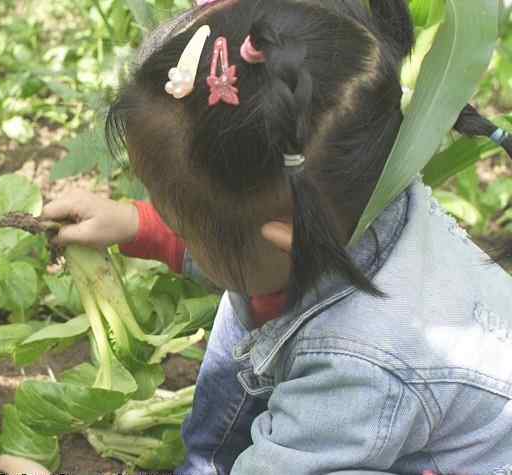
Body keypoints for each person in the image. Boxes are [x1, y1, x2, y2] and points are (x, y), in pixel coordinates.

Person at [42, 0, 512, 473]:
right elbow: (241, 247)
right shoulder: (349, 200)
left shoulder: (354, 369)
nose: (174, 229)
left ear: (285, 241)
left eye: (180, 225)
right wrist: (135, 224)